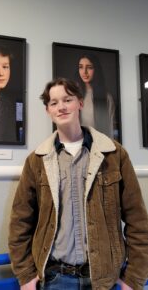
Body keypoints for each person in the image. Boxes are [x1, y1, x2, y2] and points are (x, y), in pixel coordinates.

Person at [8, 77, 148, 290]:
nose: (61, 107)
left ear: (80, 103)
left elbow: (138, 221)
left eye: (67, 99)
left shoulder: (114, 155)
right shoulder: (36, 161)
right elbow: (20, 223)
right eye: (54, 103)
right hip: (55, 278)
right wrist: (26, 275)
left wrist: (134, 278)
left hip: (104, 278)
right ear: (48, 110)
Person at [74, 53, 117, 140]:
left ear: (96, 70)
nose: (84, 72)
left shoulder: (106, 98)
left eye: (89, 67)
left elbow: (111, 130)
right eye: (81, 67)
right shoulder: (73, 96)